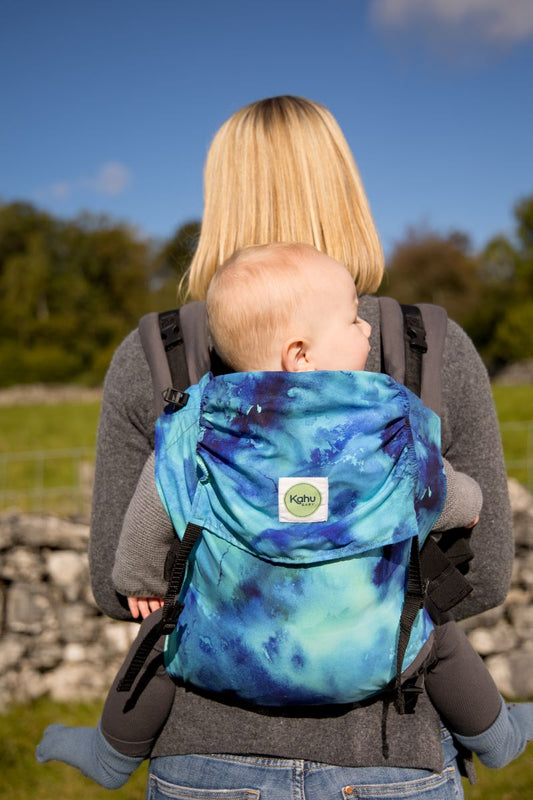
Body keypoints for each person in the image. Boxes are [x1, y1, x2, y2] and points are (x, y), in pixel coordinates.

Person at [85, 96, 513, 799]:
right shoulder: (424, 344)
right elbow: (486, 575)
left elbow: (118, 584)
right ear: (344, 188)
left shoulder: (155, 352)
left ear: (220, 195)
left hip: (204, 756)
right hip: (392, 749)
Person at [37, 244, 531, 792]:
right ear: (301, 353)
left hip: (228, 654)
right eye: (351, 319)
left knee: (164, 636)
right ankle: (499, 737)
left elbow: (154, 502)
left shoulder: (202, 423)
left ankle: (111, 753)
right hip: (372, 657)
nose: (366, 328)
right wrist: (472, 501)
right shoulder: (383, 426)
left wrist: (137, 580)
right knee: (434, 638)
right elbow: (442, 495)